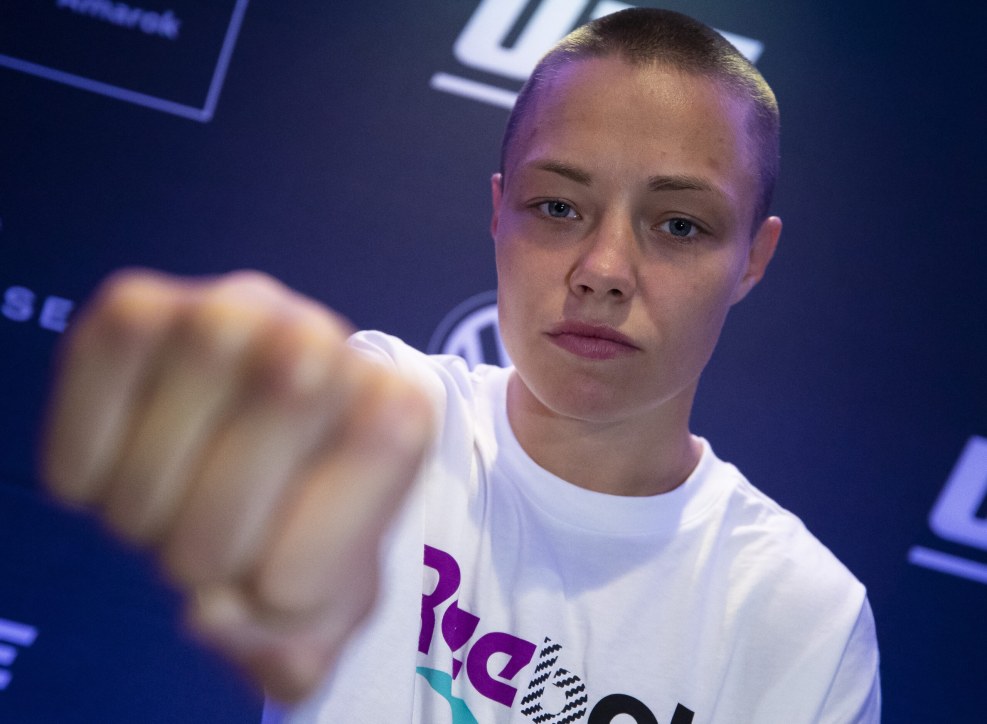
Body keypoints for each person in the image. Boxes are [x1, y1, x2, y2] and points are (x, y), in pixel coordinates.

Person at [41, 7, 880, 723]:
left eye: (679, 225)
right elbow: (284, 411)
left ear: (752, 258)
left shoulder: (800, 616)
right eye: (557, 206)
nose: (603, 269)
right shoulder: (389, 415)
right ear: (498, 211)